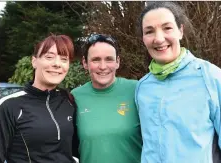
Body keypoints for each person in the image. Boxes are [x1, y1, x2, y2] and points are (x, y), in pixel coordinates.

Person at [135, 2, 221, 163]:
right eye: (149, 31)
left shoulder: (211, 77)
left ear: (180, 31)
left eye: (167, 28)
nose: (159, 39)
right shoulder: (143, 87)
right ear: (143, 39)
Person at [0, 34, 79, 163]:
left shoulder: (69, 102)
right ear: (34, 61)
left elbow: (75, 152)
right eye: (49, 57)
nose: (57, 64)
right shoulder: (9, 105)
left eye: (64, 59)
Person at [71, 34, 142, 163]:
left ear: (117, 62)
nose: (103, 66)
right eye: (96, 59)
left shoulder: (137, 90)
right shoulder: (74, 97)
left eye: (109, 59)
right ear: (85, 63)